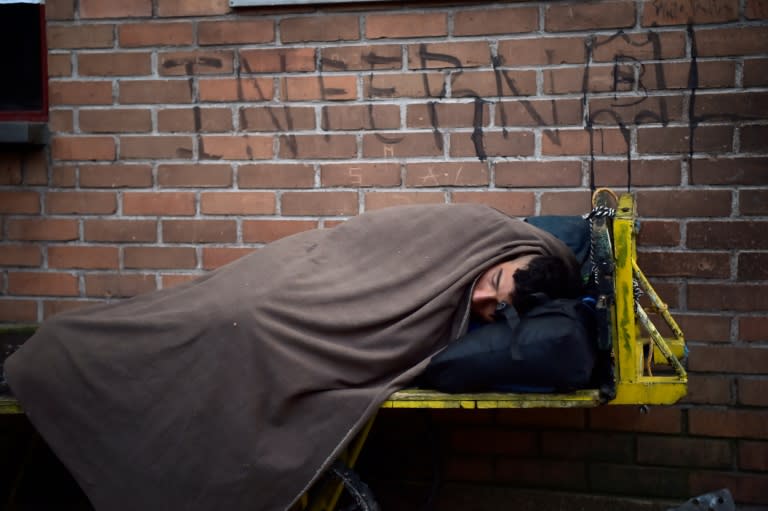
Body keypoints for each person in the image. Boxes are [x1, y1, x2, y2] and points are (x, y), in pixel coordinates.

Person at [4, 203, 579, 511]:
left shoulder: (481, 295)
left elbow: (402, 328)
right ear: (508, 254)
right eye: (494, 282)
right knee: (219, 312)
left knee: (242, 329)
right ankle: (66, 354)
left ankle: (72, 359)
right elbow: (372, 244)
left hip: (287, 321)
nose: (478, 296)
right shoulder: (480, 230)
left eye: (489, 309)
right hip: (303, 275)